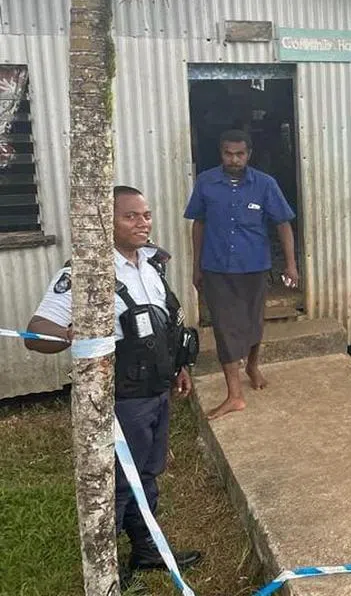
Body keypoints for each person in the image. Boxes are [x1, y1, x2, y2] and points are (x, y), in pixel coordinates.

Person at [26, 186, 202, 587]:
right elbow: (35, 334)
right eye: (131, 216)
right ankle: (105, 568)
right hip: (120, 400)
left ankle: (147, 550)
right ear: (108, 223)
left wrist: (180, 367)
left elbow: (165, 324)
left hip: (156, 393)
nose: (143, 223)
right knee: (119, 482)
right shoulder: (87, 272)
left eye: (147, 215)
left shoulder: (152, 264)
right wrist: (74, 334)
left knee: (148, 473)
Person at [184, 129, 298, 420]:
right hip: (217, 266)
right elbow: (198, 224)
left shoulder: (265, 184)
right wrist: (196, 265)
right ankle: (234, 395)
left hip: (254, 266)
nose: (234, 159)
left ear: (249, 154)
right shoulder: (206, 183)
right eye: (228, 153)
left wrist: (291, 264)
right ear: (220, 153)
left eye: (240, 154)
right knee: (225, 326)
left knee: (253, 322)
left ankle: (252, 365)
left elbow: (283, 224)